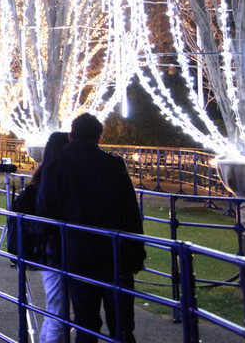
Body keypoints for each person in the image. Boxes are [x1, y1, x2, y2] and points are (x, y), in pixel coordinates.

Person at [38, 113, 146, 343]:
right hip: (115, 254)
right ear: (99, 137)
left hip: (77, 254)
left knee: (86, 323)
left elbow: (45, 211)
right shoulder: (113, 164)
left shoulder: (55, 166)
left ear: (71, 136)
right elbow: (130, 212)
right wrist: (137, 252)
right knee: (122, 325)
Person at [8, 131, 70, 343]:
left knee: (56, 309)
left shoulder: (41, 180)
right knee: (59, 311)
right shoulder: (54, 183)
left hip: (47, 251)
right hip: (56, 250)